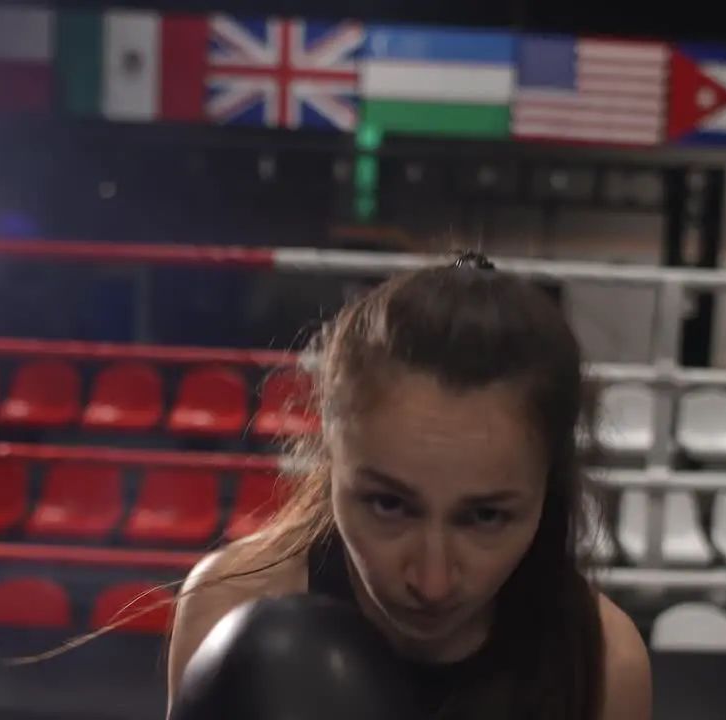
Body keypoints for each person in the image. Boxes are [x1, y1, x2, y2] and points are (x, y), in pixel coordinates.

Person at [168, 251, 652, 720]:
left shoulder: (603, 668)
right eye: (389, 505)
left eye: (486, 517)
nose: (431, 581)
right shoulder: (227, 606)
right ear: (332, 460)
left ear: (548, 489)